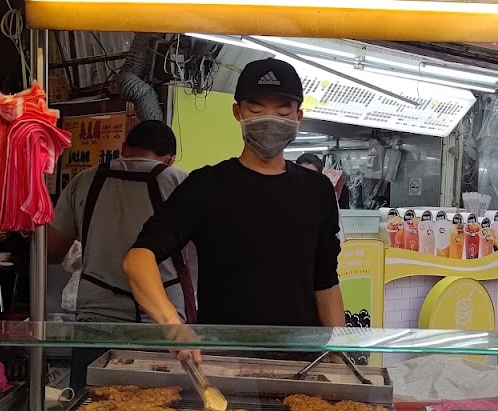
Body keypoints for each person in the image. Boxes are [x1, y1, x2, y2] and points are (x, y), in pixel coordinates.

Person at [123, 57, 344, 335]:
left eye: (283, 111)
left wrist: (339, 351)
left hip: (300, 356)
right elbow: (138, 259)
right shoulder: (205, 186)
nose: (269, 119)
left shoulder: (318, 190)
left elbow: (325, 282)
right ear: (237, 112)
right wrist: (173, 325)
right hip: (224, 355)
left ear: (298, 117)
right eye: (256, 109)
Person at [48, 120, 196, 384]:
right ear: (170, 158)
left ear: (124, 148)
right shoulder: (180, 182)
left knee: (89, 399)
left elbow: (52, 252)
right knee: (161, 402)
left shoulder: (83, 181)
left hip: (96, 318)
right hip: (163, 321)